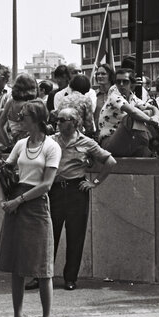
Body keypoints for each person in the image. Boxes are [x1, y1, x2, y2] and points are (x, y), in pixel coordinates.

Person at [0, 99, 61, 317]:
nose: (20, 120)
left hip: (35, 206)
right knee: (17, 266)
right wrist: (5, 199)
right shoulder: (21, 144)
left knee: (43, 269)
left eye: (23, 116)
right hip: (17, 205)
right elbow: (5, 171)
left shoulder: (51, 147)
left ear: (36, 119)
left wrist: (17, 200)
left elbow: (46, 184)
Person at [34, 106, 115, 292]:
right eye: (58, 120)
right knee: (47, 236)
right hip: (53, 190)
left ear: (74, 122)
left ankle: (70, 278)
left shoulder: (87, 142)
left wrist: (94, 182)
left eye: (63, 120)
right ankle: (42, 277)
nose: (58, 123)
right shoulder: (50, 140)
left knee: (75, 236)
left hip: (76, 190)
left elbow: (110, 162)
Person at [0, 73, 38, 148]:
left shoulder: (10, 103)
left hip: (16, 144)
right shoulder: (33, 104)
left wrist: (8, 143)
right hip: (32, 145)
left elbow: (0, 124)